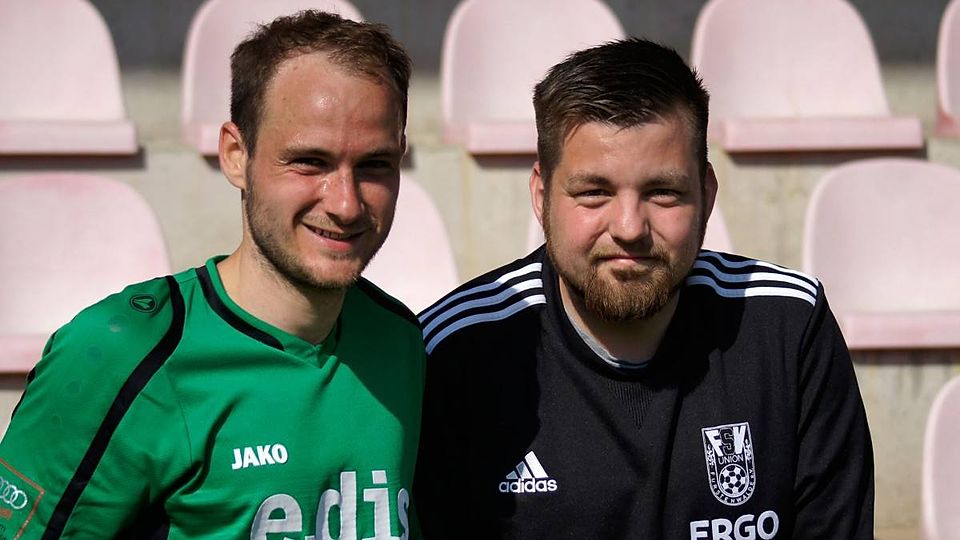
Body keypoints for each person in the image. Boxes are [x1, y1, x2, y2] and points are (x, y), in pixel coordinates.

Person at [414, 38, 873, 539]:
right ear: (541, 195)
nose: (630, 227)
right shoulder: (454, 351)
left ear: (707, 195)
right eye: (594, 192)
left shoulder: (788, 327)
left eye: (663, 192)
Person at [0, 11, 423, 539]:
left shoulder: (401, 341)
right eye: (309, 162)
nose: (346, 203)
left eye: (374, 164)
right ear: (236, 155)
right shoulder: (120, 355)